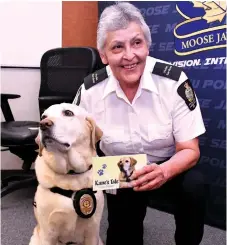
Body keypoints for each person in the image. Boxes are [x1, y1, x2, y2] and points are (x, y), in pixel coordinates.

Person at [73, 2, 207, 245]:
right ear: (103, 55)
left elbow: (190, 149)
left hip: (167, 164)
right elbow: (78, 149)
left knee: (194, 186)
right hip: (119, 168)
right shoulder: (90, 91)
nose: (129, 56)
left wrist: (164, 171)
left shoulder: (173, 82)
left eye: (137, 43)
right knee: (122, 235)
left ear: (147, 46)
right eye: (117, 47)